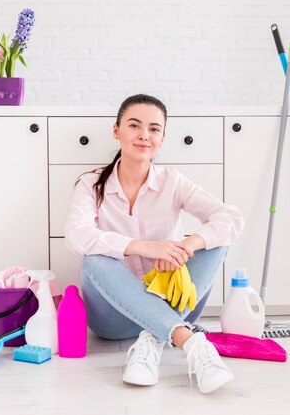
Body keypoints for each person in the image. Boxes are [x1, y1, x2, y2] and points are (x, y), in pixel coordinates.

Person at [65, 94, 244, 394]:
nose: (144, 135)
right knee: (94, 257)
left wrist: (184, 247)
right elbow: (76, 234)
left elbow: (230, 217)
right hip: (114, 318)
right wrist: (144, 246)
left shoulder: (172, 182)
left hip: (172, 303)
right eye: (134, 125)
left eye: (154, 129)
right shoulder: (91, 184)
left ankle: (152, 339)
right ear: (116, 131)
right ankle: (189, 342)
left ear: (162, 139)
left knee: (216, 243)